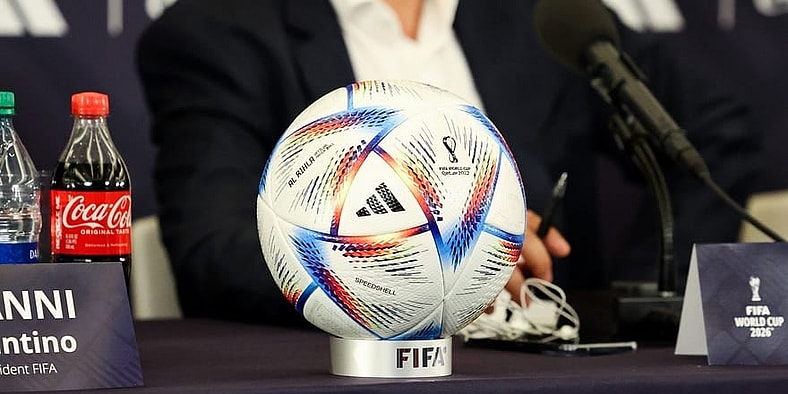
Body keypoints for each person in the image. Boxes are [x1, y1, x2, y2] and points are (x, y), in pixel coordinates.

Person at [136, 0, 759, 326]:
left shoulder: (539, 14)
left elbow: (709, 138)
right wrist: (432, 261)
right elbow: (213, 249)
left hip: (549, 382)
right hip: (344, 391)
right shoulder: (216, 31)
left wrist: (632, 296)